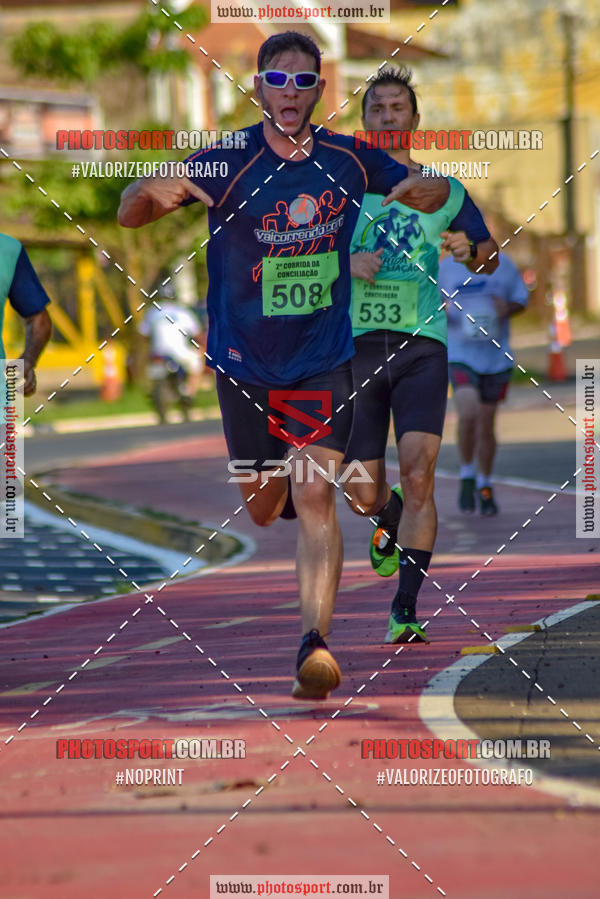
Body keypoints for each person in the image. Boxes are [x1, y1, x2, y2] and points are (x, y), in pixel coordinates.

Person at [118, 32, 450, 700]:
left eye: (305, 83)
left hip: (321, 358)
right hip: (243, 362)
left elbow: (430, 190)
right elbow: (130, 214)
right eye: (279, 79)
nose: (291, 93)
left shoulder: (349, 160)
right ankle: (354, 504)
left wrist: (426, 188)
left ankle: (315, 645)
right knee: (266, 506)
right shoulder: (225, 162)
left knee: (315, 493)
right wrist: (144, 187)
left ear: (321, 91)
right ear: (258, 85)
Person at [342, 67, 498, 645]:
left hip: (421, 346)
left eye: (397, 107)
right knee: (360, 492)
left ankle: (404, 610)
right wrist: (343, 263)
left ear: (413, 119)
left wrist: (469, 249)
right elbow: (294, 251)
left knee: (421, 474)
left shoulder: (444, 190)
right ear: (364, 122)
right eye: (377, 108)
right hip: (353, 348)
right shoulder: (338, 187)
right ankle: (388, 518)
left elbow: (488, 254)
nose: (387, 116)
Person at [439, 251, 528, 515]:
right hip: (460, 354)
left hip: (496, 357)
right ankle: (467, 474)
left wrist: (507, 308)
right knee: (468, 412)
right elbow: (428, 301)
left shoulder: (504, 265)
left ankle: (485, 484)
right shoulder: (446, 268)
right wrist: (440, 309)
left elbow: (521, 299)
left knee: (487, 423)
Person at [139, 284, 204, 419]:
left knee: (149, 367)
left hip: (158, 353)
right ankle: (188, 392)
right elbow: (197, 334)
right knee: (198, 360)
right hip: (180, 352)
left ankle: (149, 388)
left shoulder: (152, 312)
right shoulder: (183, 312)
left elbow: (143, 335)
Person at [1, 232, 52, 397]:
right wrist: (28, 360)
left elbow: (39, 318)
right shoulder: (8, 249)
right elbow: (39, 318)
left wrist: (27, 361)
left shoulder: (9, 250)